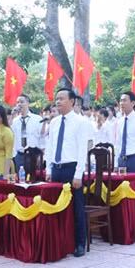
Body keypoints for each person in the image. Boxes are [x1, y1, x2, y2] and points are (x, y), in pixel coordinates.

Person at [45, 88, 91, 257]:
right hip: (56, 169)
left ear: (72, 101)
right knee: (58, 207)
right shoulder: (55, 122)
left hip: (72, 169)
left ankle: (80, 243)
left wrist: (78, 174)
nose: (58, 101)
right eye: (56, 98)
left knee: (76, 207)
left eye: (62, 98)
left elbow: (81, 151)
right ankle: (63, 242)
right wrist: (48, 168)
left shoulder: (81, 122)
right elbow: (50, 147)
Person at [11, 95, 42, 172]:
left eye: (22, 102)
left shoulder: (37, 119)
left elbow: (42, 137)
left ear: (28, 103)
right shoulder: (14, 121)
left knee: (34, 180)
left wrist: (41, 155)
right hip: (19, 155)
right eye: (17, 102)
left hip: (33, 155)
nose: (19, 104)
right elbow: (11, 136)